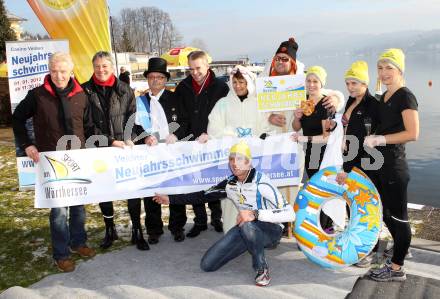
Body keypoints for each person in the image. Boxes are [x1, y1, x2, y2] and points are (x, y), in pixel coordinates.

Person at [153, 141, 295, 286]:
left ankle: (261, 269)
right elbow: (202, 196)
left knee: (247, 223)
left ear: (249, 162)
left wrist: (255, 214)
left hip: (271, 231)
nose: (234, 163)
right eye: (231, 159)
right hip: (246, 228)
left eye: (239, 159)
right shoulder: (230, 183)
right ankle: (250, 242)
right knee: (207, 265)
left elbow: (290, 214)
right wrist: (170, 199)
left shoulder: (262, 183)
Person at [12, 52, 96, 272]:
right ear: (49, 70)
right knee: (59, 211)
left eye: (63, 71)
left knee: (78, 206)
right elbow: (17, 118)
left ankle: (78, 243)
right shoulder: (37, 95)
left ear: (71, 71)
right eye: (55, 71)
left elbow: (88, 127)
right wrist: (27, 145)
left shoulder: (81, 95)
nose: (59, 76)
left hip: (78, 159)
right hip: (52, 161)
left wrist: (94, 149)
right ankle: (61, 253)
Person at [365, 48, 419, 282]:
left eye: (389, 68)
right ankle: (400, 247)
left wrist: (382, 139)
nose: (384, 72)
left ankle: (397, 268)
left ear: (400, 70)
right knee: (384, 213)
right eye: (380, 68)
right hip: (379, 165)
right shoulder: (383, 97)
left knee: (398, 217)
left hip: (395, 166)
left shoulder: (405, 96)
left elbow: (413, 133)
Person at [82, 51, 145, 250]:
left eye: (105, 66)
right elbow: (86, 124)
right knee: (104, 190)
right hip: (100, 148)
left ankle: (137, 229)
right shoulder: (85, 91)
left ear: (112, 68)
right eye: (97, 66)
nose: (101, 70)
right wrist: (109, 141)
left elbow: (133, 118)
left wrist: (128, 138)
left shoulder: (125, 89)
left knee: (133, 189)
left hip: (124, 148)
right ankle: (110, 229)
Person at [207, 65, 271, 233]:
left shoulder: (259, 104)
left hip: (252, 161)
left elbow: (266, 127)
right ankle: (231, 233)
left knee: (253, 195)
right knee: (231, 197)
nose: (238, 86)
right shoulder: (223, 103)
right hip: (232, 162)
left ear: (249, 82)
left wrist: (260, 137)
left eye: (242, 82)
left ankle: (254, 233)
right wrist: (231, 135)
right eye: (234, 82)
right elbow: (213, 128)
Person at [174, 50, 229, 238]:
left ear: (207, 66)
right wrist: (181, 136)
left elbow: (225, 116)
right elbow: (181, 117)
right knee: (195, 182)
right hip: (192, 141)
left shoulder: (220, 87)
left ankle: (216, 218)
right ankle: (199, 221)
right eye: (191, 69)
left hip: (212, 140)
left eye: (198, 68)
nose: (195, 72)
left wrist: (213, 134)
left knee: (214, 180)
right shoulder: (183, 87)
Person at [133, 57, 187, 243]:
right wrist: (145, 137)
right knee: (152, 193)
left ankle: (177, 226)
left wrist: (177, 134)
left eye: (159, 77)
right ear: (148, 79)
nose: (155, 80)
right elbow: (136, 127)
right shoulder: (140, 102)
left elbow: (184, 122)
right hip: (150, 153)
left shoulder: (175, 98)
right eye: (152, 77)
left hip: (172, 152)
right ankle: (154, 229)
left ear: (165, 80)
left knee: (174, 189)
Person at [291, 66, 333, 179]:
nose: (311, 84)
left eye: (315, 81)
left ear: (321, 84)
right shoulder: (304, 100)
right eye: (308, 81)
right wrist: (296, 117)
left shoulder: (326, 104)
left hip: (324, 154)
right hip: (309, 153)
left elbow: (327, 137)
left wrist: (305, 138)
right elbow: (296, 128)